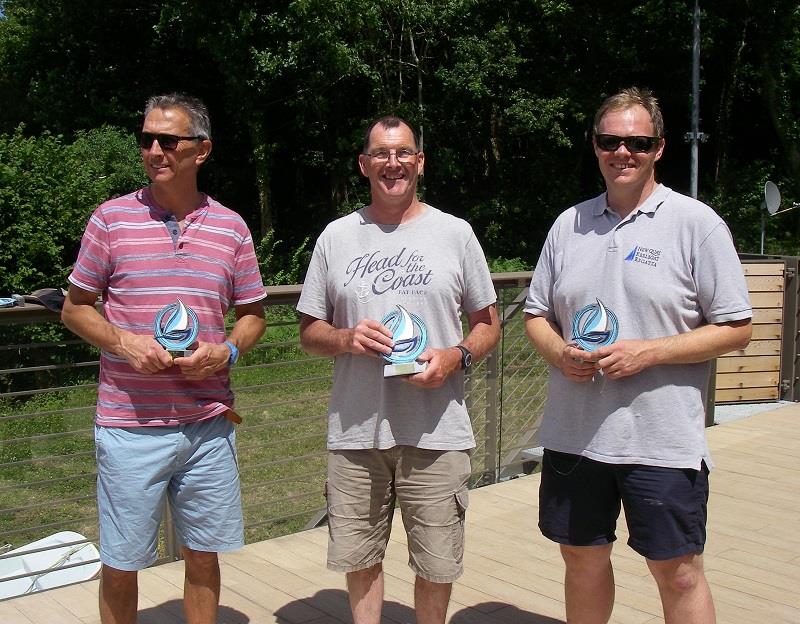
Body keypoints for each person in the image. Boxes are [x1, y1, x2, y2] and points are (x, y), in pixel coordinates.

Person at [524, 87, 752, 624]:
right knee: (580, 559)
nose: (622, 151)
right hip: (576, 435)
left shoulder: (696, 224)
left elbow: (737, 327)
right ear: (596, 145)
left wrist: (649, 352)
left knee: (677, 571)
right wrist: (561, 355)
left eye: (637, 141)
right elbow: (536, 315)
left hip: (662, 439)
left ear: (659, 147)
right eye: (610, 140)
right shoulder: (568, 225)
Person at [61, 93, 267, 624]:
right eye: (146, 138)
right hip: (131, 425)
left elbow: (253, 315)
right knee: (122, 561)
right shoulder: (110, 220)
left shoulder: (232, 227)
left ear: (202, 150)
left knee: (203, 556)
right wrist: (124, 343)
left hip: (207, 425)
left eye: (168, 140)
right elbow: (75, 309)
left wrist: (228, 350)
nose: (154, 149)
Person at [297, 115, 500, 624]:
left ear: (420, 162)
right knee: (360, 559)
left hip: (436, 430)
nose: (393, 163)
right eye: (382, 154)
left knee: (436, 563)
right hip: (356, 430)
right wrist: (347, 338)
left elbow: (488, 324)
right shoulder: (336, 237)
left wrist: (456, 357)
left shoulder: (455, 234)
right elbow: (308, 333)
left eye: (404, 153)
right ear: (364, 165)